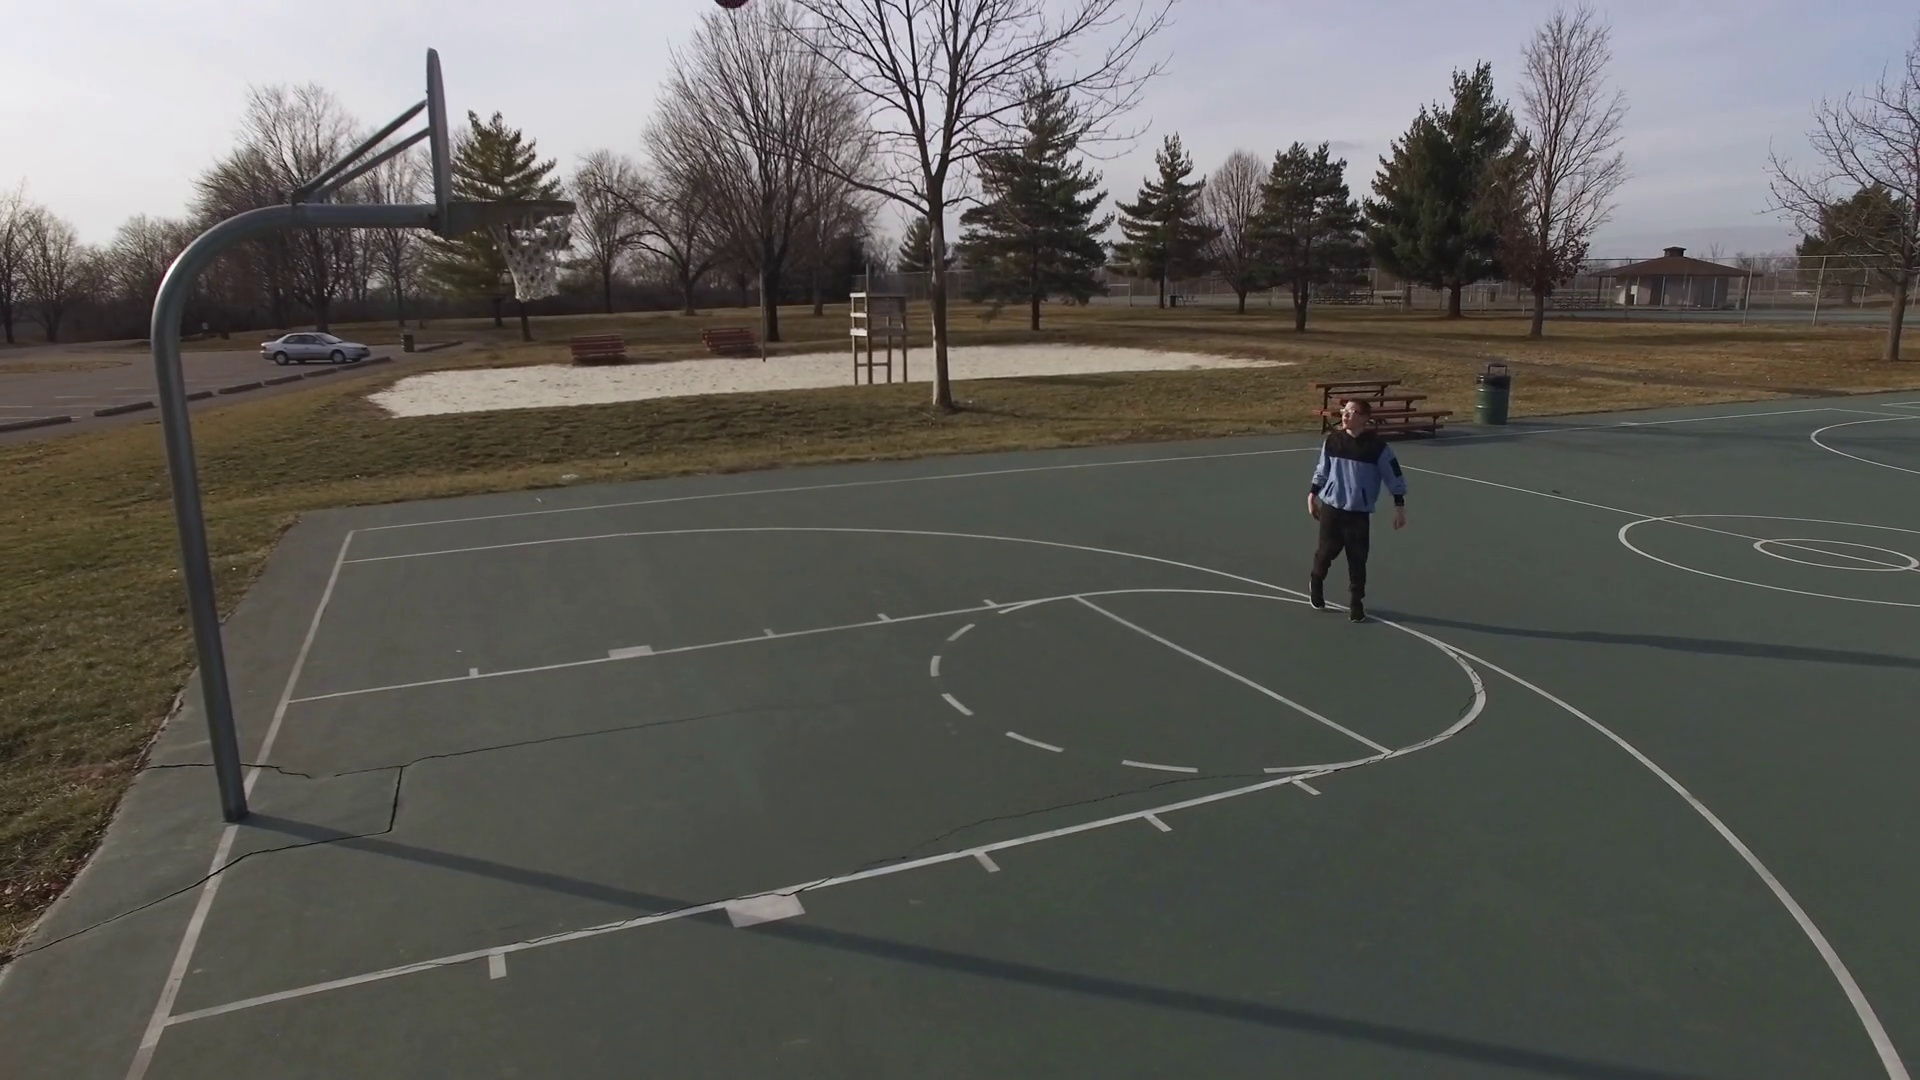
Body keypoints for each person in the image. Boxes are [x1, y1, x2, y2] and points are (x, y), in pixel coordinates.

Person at [1307, 398, 1407, 622]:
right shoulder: (1332, 441)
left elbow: (1394, 476)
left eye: (1352, 412)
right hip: (1332, 509)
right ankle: (1316, 583)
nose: (1345, 415)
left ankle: (1356, 603)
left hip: (1358, 514)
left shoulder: (1378, 448)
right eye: (1344, 411)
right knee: (1325, 554)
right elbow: (1322, 470)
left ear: (1364, 418)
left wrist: (1399, 506)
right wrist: (1313, 495)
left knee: (1358, 560)